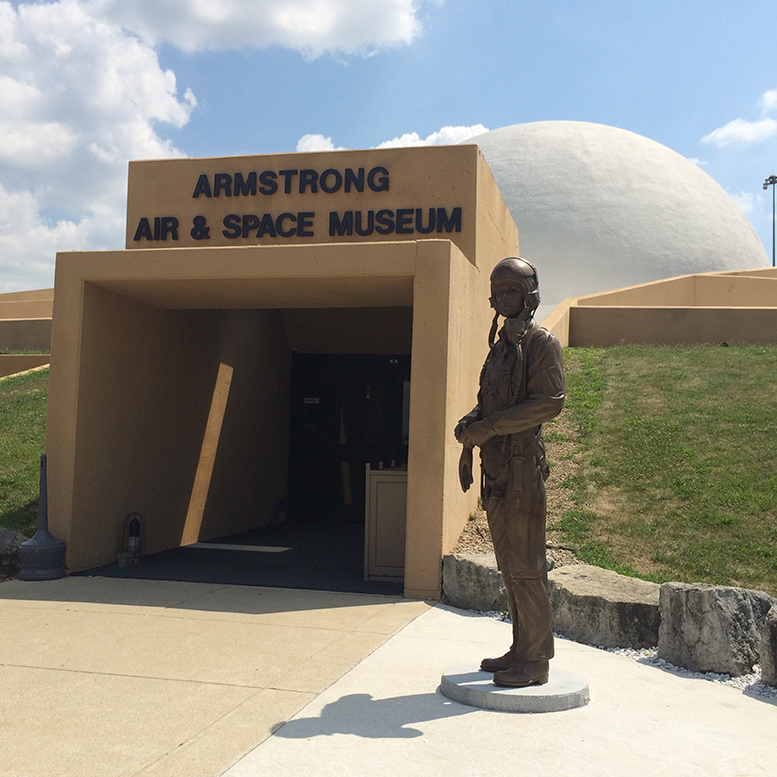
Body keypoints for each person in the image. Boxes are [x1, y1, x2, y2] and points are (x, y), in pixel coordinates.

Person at [455, 257, 566, 687]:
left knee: (526, 566)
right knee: (508, 565)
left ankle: (536, 660)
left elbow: (550, 401)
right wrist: (471, 424)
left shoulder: (540, 343)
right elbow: (490, 401)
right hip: (496, 468)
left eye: (511, 290)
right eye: (498, 291)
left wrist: (489, 428)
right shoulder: (501, 347)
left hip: (521, 469)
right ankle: (521, 647)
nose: (504, 297)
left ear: (529, 295)